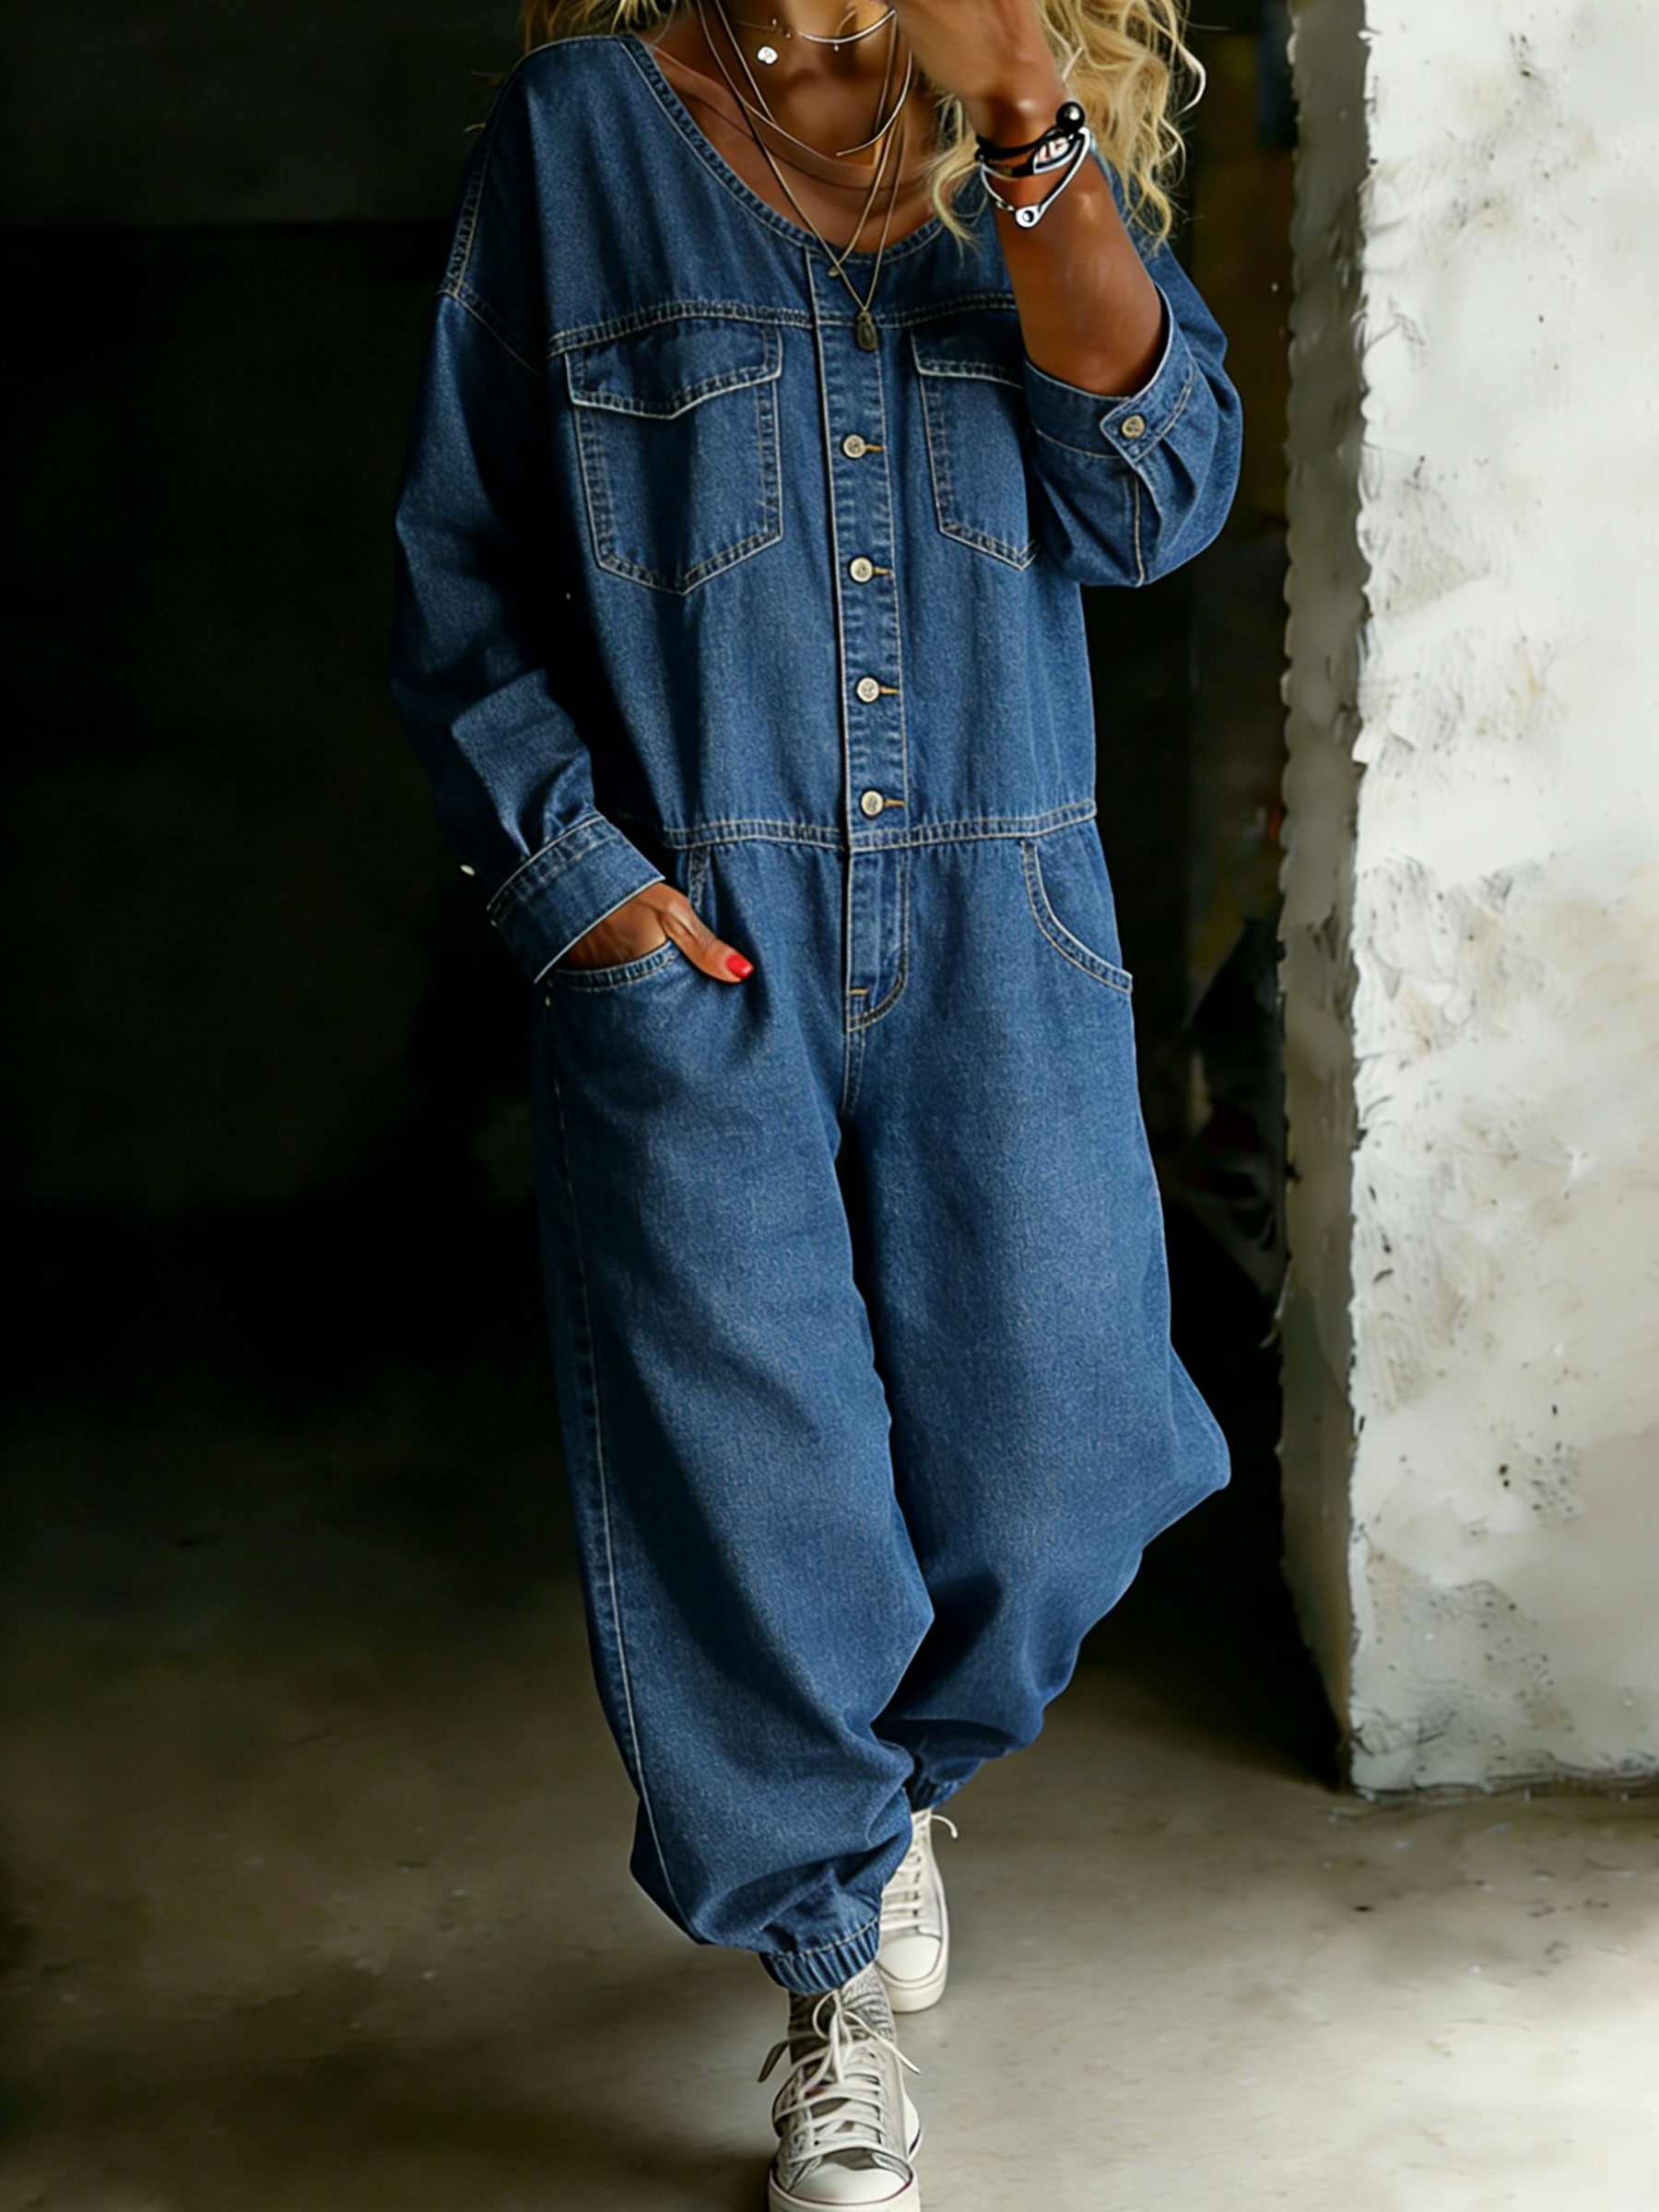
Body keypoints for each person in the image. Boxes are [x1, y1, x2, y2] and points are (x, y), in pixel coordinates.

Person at [390, 0, 1241, 2202]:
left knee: (1060, 1468)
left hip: (1004, 918)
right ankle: (830, 1972)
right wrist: (579, 882)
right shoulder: (587, 136)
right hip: (704, 927)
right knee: (751, 1491)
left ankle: (885, 1793)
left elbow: (1156, 499)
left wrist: (1028, 124)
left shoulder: (1018, 122)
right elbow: (461, 551)